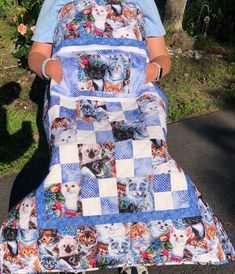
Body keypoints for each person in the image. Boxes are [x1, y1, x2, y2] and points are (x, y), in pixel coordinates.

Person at [0, 1, 234, 274]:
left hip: (132, 96)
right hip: (74, 97)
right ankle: (73, 242)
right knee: (71, 154)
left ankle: (135, 247)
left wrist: (155, 69)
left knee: (146, 149)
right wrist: (48, 67)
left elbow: (161, 56)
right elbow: (36, 54)